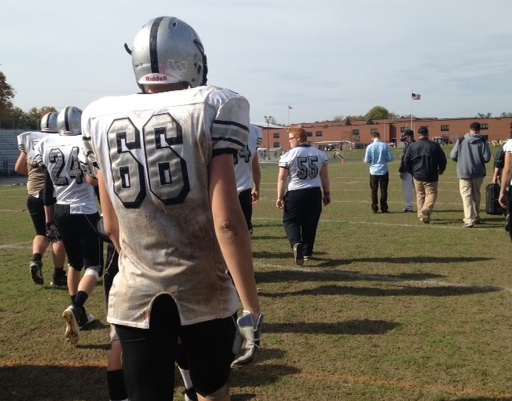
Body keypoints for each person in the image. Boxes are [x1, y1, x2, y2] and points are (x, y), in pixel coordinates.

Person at [81, 16, 262, 401]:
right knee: (211, 389)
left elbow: (111, 226)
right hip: (202, 287)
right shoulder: (215, 104)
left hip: (135, 289)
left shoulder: (99, 115)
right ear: (191, 58)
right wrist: (252, 308)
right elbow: (227, 223)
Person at [33, 106, 102, 345]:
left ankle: (79, 315)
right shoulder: (83, 144)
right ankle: (76, 306)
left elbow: (48, 189)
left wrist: (49, 219)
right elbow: (92, 179)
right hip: (83, 209)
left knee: (73, 263)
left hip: (61, 209)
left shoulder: (46, 144)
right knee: (93, 266)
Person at [14, 112, 68, 287]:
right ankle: (58, 274)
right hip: (52, 196)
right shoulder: (59, 141)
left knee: (40, 233)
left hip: (33, 194)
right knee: (58, 237)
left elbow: (19, 167)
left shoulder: (31, 140)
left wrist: (34, 174)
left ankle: (36, 259)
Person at [276, 127, 330, 264]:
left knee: (290, 221)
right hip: (314, 192)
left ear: (298, 138)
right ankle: (307, 252)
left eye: (290, 138)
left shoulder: (289, 155)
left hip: (295, 192)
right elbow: (324, 175)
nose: (289, 142)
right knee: (310, 223)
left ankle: (296, 243)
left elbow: (282, 178)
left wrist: (279, 196)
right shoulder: (320, 154)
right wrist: (327, 193)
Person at [450, 122, 492, 228]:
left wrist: (461, 161)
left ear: (470, 129)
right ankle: (476, 216)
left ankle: (469, 219)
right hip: (478, 172)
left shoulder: (461, 140)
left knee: (466, 195)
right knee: (476, 195)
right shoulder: (482, 141)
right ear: (479, 130)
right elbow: (487, 158)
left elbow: (452, 155)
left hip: (464, 172)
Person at [403, 126, 447, 224]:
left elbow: (406, 160)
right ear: (427, 134)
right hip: (431, 174)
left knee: (420, 195)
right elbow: (442, 159)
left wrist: (412, 172)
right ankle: (426, 209)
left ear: (418, 134)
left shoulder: (412, 146)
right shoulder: (435, 145)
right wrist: (441, 169)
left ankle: (421, 215)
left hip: (417, 174)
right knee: (431, 194)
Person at [234, 124, 262, 235]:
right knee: (245, 228)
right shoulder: (254, 131)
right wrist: (257, 188)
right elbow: (255, 167)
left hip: (222, 188)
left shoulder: (215, 126)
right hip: (244, 188)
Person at [364, 131, 394, 213]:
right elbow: (391, 158)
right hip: (383, 169)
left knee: (374, 190)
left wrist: (372, 161)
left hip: (373, 171)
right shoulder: (385, 146)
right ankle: (384, 207)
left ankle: (374, 207)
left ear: (372, 138)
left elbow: (367, 160)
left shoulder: (369, 147)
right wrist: (384, 160)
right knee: (384, 190)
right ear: (379, 136)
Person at [398, 129, 415, 212]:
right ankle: (423, 205)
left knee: (408, 189)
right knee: (419, 190)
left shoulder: (409, 146)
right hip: (417, 170)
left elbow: (405, 159)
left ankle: (409, 206)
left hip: (409, 170)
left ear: (409, 137)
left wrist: (402, 170)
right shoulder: (416, 144)